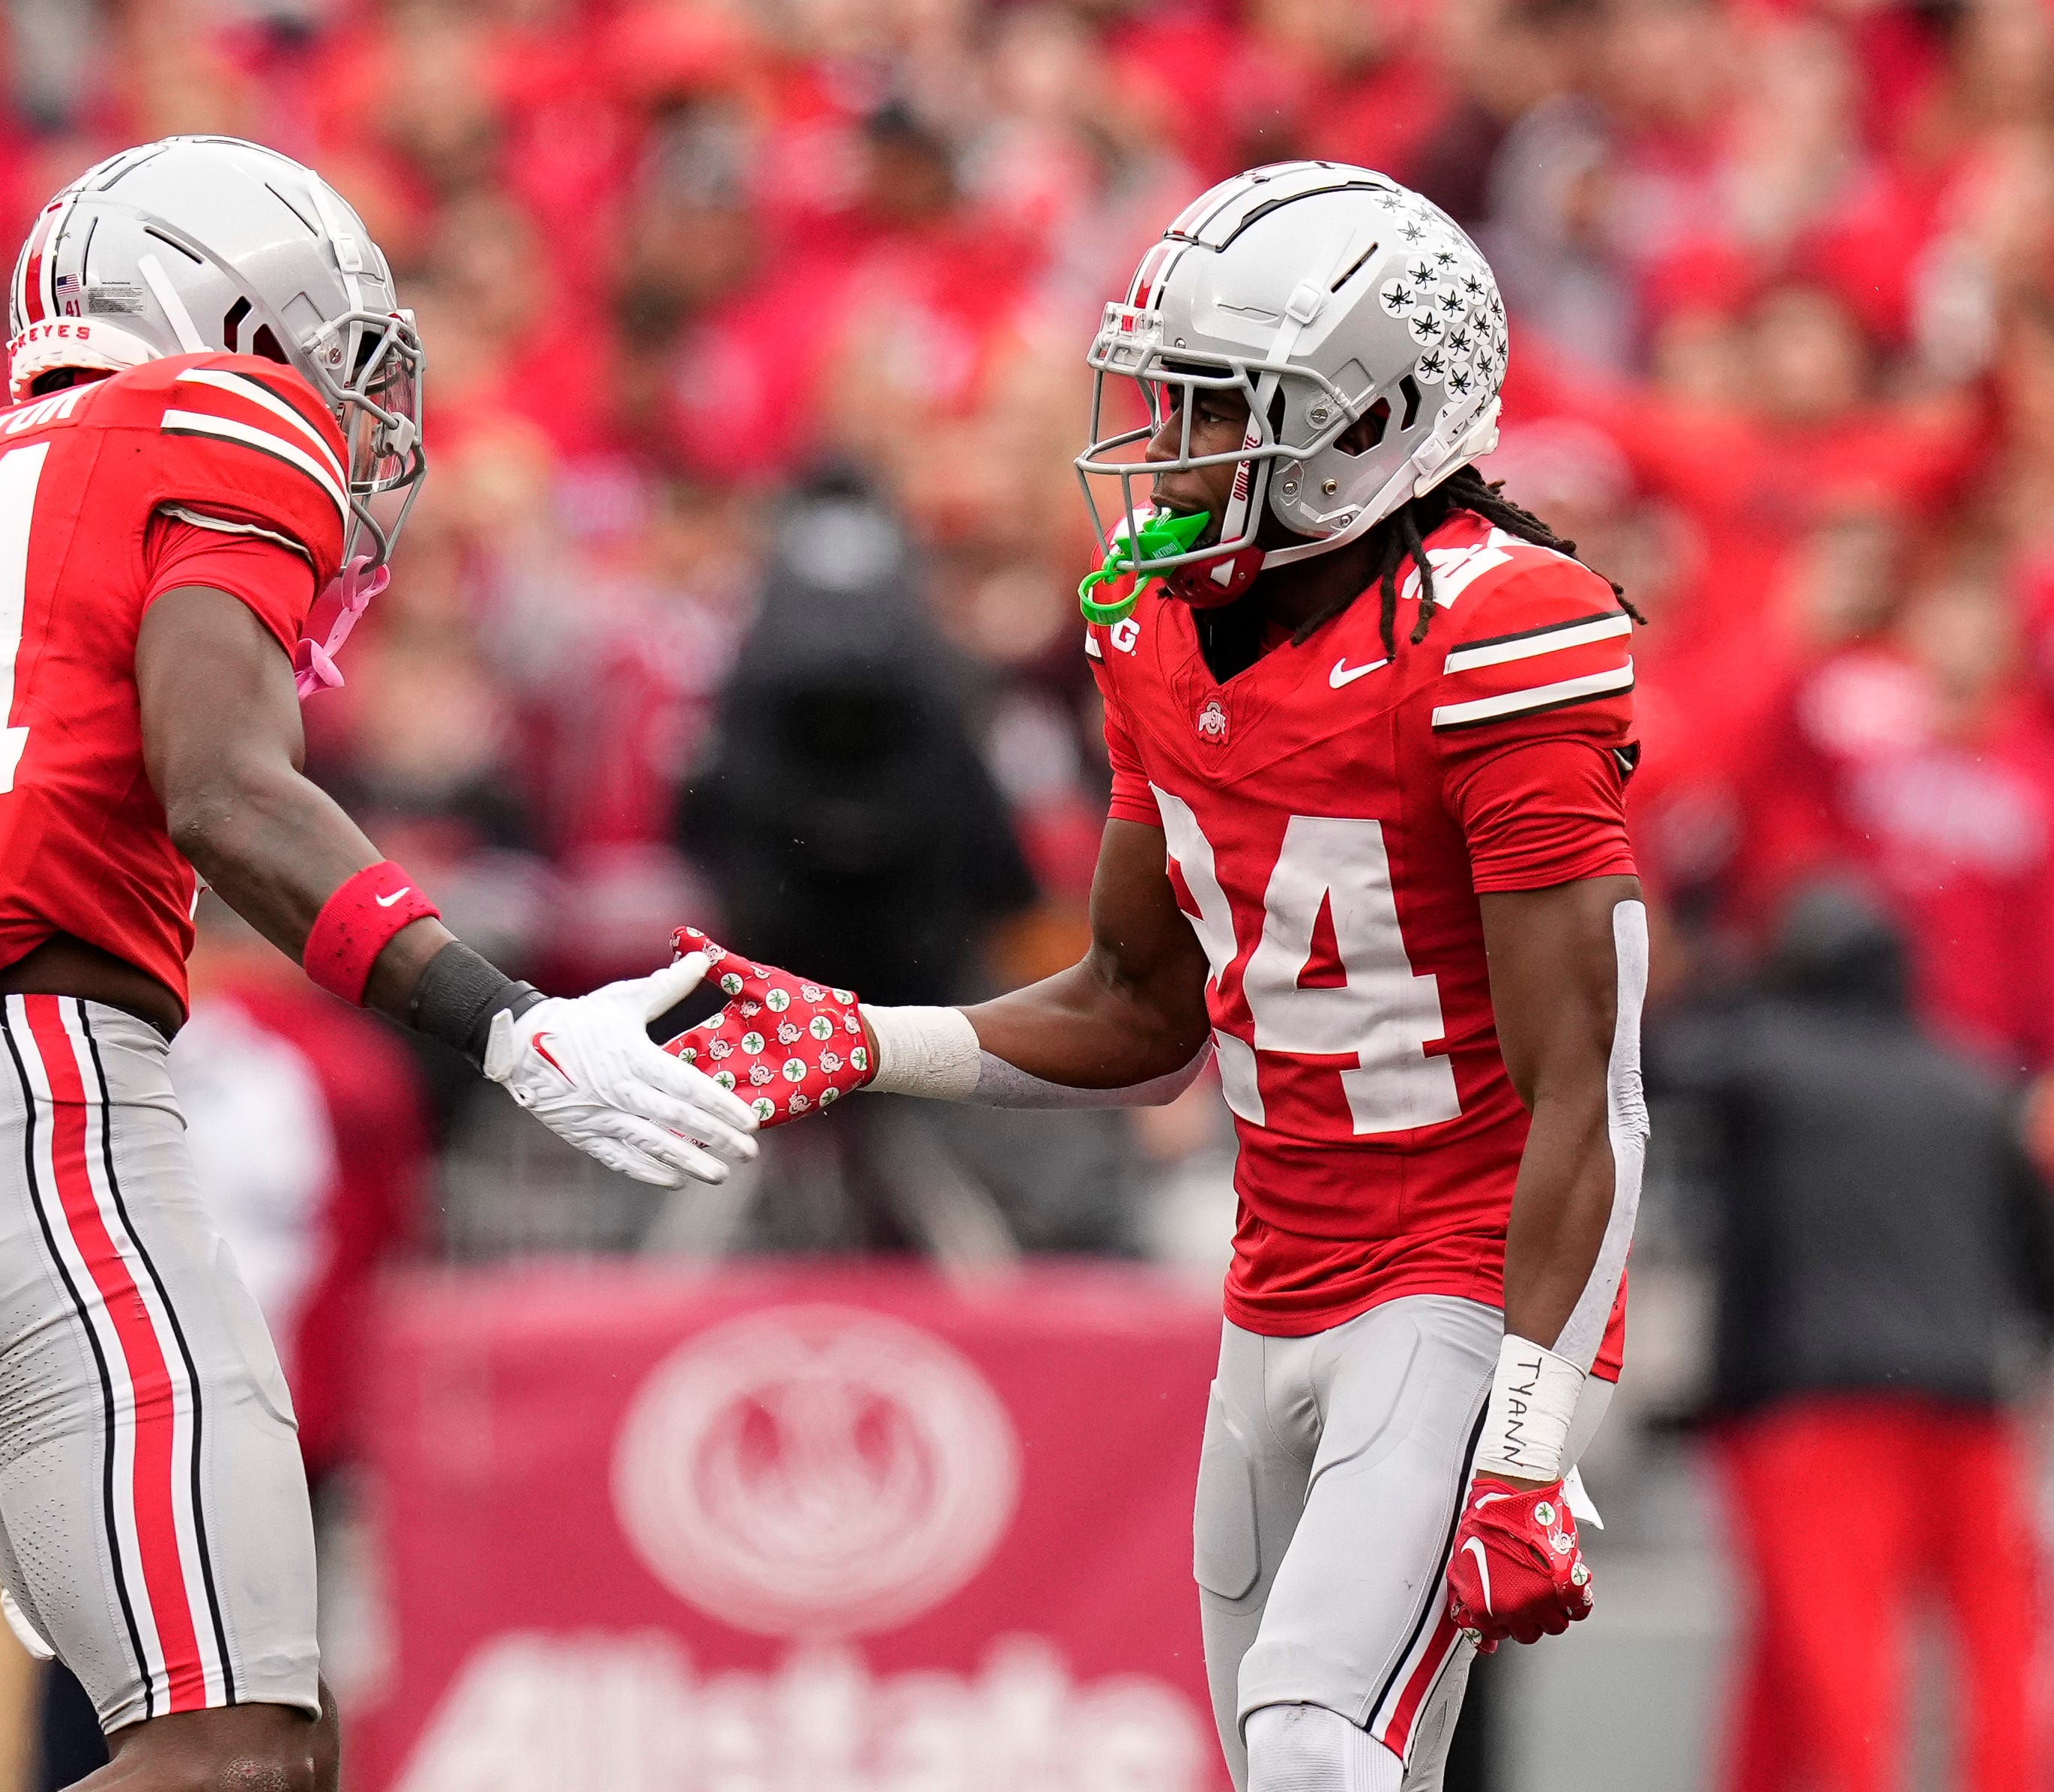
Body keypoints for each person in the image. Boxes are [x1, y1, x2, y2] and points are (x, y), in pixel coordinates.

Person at [0, 136, 758, 1791]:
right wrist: (502, 1021)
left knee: (246, 1743)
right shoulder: (209, 419)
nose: (355, 410)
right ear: (220, 317)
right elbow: (221, 782)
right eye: (332, 355)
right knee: (231, 1756)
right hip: (38, 1110)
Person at [660, 162, 1646, 1788]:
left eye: (1216, 408)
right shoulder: (1155, 621)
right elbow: (1141, 1004)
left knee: (1316, 1738)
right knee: (1287, 1759)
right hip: (1275, 1278)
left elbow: (1585, 1086)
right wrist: (862, 1040)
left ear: (1370, 419)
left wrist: (1535, 1437)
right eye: (1171, 401)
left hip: (1461, 1267)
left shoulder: (1500, 632)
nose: (1173, 451)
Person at [1658, 880, 2052, 1792]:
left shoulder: (1760, 1054)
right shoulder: (1979, 1084)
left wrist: (1697, 950)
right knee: (1997, 1662)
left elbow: (1642, 1060)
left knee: (1842, 1674)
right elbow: (2042, 1268)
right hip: (1972, 1408)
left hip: (1813, 1416)